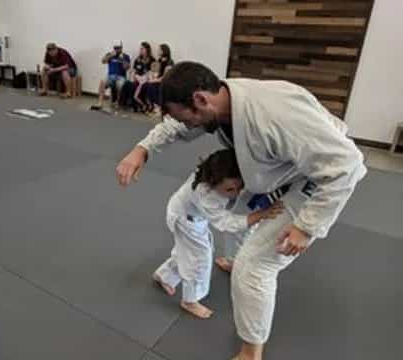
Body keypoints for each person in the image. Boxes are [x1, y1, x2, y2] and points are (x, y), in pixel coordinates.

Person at [116, 62, 367, 360]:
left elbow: (347, 165)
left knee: (254, 269)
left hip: (320, 177)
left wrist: (306, 226)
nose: (189, 126)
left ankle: (251, 353)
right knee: (246, 205)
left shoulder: (272, 116)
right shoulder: (221, 99)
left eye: (188, 117)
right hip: (282, 167)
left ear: (199, 100)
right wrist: (143, 149)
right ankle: (235, 259)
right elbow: (178, 125)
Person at [154, 149, 284, 319]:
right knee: (199, 260)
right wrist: (260, 215)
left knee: (188, 252)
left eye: (239, 187)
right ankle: (190, 300)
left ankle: (165, 275)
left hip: (187, 213)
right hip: (186, 221)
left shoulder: (211, 173)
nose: (236, 193)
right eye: (230, 189)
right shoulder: (207, 194)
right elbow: (226, 222)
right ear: (211, 184)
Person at [91, 41, 131, 111]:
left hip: (121, 76)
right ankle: (100, 103)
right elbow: (103, 61)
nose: (117, 49)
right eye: (115, 48)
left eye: (118, 48)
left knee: (120, 85)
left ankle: (117, 102)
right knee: (102, 82)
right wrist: (110, 56)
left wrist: (122, 59)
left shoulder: (125, 56)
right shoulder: (110, 54)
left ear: (121, 48)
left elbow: (126, 68)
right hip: (110, 76)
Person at [119, 42, 155, 111]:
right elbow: (134, 70)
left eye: (142, 49)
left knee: (135, 85)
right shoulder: (138, 59)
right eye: (140, 49)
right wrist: (134, 76)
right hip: (137, 78)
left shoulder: (152, 60)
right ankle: (123, 104)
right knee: (127, 84)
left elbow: (151, 72)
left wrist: (142, 78)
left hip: (145, 80)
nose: (140, 50)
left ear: (147, 49)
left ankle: (135, 106)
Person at [140, 44, 174, 115]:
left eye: (159, 50)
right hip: (158, 80)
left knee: (152, 85)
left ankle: (158, 106)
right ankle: (148, 105)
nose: (158, 51)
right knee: (145, 85)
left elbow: (165, 77)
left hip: (165, 82)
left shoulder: (169, 62)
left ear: (164, 51)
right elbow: (155, 72)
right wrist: (150, 77)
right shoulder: (159, 60)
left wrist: (154, 80)